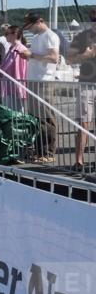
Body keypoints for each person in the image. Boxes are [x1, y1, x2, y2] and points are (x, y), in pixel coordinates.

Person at [19, 12, 60, 162]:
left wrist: (31, 55)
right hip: (34, 80)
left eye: (31, 26)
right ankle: (39, 150)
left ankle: (48, 152)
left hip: (44, 80)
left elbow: (54, 57)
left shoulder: (50, 36)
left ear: (39, 22)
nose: (29, 29)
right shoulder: (37, 38)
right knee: (35, 118)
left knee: (46, 117)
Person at [68, 9, 96, 174]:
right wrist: (86, 55)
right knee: (83, 124)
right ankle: (79, 160)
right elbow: (70, 59)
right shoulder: (82, 37)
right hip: (86, 84)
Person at [0, 25, 29, 112]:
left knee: (17, 111)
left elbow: (21, 70)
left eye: (7, 33)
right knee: (10, 110)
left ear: (14, 34)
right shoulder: (12, 48)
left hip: (15, 86)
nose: (5, 36)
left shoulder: (20, 49)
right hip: (9, 85)